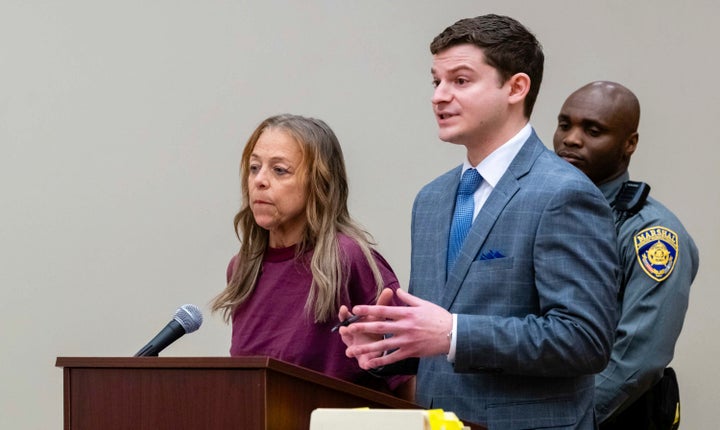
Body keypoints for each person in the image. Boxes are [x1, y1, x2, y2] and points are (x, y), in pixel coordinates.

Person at [339, 14, 619, 428]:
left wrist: (454, 334)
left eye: (461, 80)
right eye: (436, 81)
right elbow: (439, 334)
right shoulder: (431, 200)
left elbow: (585, 340)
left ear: (516, 88)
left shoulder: (563, 194)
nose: (439, 95)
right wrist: (389, 346)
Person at [211, 113, 411, 396]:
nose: (260, 181)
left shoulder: (349, 259)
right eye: (254, 168)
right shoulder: (243, 268)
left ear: (319, 183)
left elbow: (409, 386)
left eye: (280, 170)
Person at [554, 81, 699, 429]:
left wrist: (566, 423)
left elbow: (637, 357)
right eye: (564, 124)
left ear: (629, 144)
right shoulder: (545, 213)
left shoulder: (652, 235)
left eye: (593, 130)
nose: (571, 139)